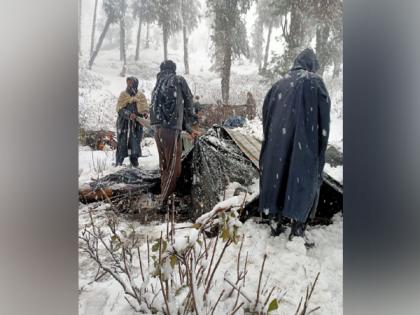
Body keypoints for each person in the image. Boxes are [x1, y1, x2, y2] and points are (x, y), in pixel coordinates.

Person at [258, 48, 331, 243]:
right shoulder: (315, 82)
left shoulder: (277, 86)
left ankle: (274, 221)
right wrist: (319, 148)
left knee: (277, 179)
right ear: (312, 66)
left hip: (276, 145)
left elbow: (266, 118)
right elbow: (324, 120)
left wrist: (273, 141)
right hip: (304, 142)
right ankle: (297, 230)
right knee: (302, 181)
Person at [150, 60, 199, 212]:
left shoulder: (157, 85)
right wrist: (192, 119)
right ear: (174, 69)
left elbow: (173, 107)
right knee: (173, 168)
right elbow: (187, 102)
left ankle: (165, 196)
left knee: (164, 166)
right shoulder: (177, 80)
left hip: (158, 130)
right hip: (170, 130)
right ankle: (164, 201)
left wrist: (187, 128)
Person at [115, 76, 148, 167]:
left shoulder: (140, 96)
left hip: (136, 124)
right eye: (128, 82)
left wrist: (144, 113)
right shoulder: (123, 95)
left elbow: (144, 108)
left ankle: (134, 162)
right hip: (124, 123)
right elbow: (119, 109)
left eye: (131, 83)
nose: (129, 84)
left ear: (135, 84)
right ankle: (119, 163)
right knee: (122, 143)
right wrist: (128, 114)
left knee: (135, 142)